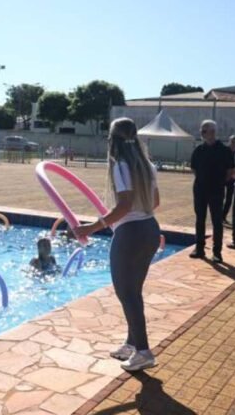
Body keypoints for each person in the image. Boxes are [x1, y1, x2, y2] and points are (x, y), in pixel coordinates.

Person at [73, 117, 161, 371]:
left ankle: (144, 351)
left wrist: (91, 227)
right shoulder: (147, 166)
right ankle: (133, 343)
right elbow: (154, 203)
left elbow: (123, 205)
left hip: (131, 234)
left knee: (127, 293)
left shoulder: (120, 166)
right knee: (133, 291)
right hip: (149, 229)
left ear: (113, 140)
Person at [189, 120, 234, 263]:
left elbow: (230, 171)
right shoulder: (198, 150)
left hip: (216, 190)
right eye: (201, 131)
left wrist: (219, 182)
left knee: (217, 221)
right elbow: (194, 169)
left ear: (213, 132)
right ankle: (199, 248)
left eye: (204, 131)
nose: (201, 133)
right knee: (199, 220)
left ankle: (217, 252)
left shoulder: (224, 150)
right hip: (200, 190)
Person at [223, 135, 235, 222]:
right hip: (223, 177)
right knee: (220, 197)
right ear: (229, 142)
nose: (233, 143)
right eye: (232, 141)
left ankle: (223, 216)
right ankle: (218, 215)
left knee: (229, 199)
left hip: (232, 178)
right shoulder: (225, 151)